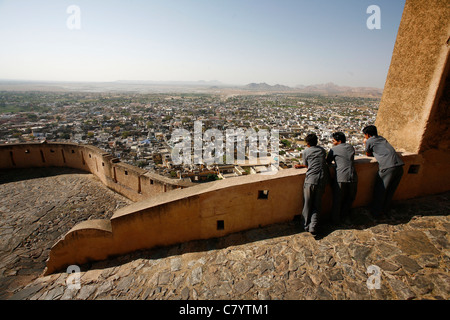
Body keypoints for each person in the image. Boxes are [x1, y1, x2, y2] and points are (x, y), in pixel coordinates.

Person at [363, 125, 404, 219]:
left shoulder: (369, 140)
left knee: (381, 190)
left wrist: (365, 143)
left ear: (368, 135)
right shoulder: (382, 138)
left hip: (388, 166)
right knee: (390, 190)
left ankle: (376, 213)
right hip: (399, 165)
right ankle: (385, 209)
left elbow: (368, 154)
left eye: (365, 135)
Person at [295, 133, 330, 236]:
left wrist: (300, 166)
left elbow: (307, 164)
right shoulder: (322, 150)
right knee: (317, 204)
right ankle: (313, 226)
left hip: (311, 179)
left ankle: (305, 225)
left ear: (308, 143)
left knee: (307, 203)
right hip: (322, 178)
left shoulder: (306, 151)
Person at [326, 132, 358, 225]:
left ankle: (335, 220)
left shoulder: (334, 150)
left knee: (337, 199)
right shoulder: (351, 147)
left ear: (339, 141)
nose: (332, 142)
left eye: (334, 140)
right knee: (350, 197)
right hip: (353, 176)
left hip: (340, 177)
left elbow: (328, 161)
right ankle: (345, 215)